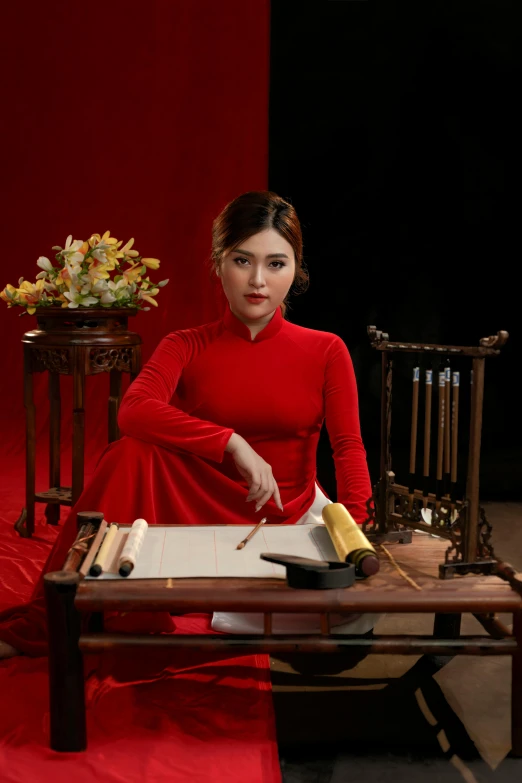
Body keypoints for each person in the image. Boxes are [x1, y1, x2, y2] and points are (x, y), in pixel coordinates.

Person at [0, 190, 373, 660]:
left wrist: (357, 530)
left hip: (282, 513)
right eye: (242, 260)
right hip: (196, 509)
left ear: (296, 269)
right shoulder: (187, 344)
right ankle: (51, 615)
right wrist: (231, 442)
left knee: (346, 627)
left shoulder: (325, 350)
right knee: (130, 453)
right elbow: (133, 410)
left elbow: (348, 447)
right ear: (219, 264)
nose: (258, 281)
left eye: (276, 264)